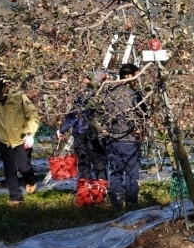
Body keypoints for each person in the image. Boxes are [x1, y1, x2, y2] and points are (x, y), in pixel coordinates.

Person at [0, 74, 40, 206]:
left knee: (24, 167)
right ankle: (15, 197)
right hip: (4, 140)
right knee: (9, 169)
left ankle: (31, 180)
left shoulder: (19, 97)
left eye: (0, 91)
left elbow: (33, 116)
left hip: (22, 138)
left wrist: (30, 134)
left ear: (5, 87)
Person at [100, 63, 147, 211]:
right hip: (129, 140)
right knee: (132, 173)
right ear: (130, 76)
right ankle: (132, 203)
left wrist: (106, 131)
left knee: (116, 172)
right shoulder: (134, 96)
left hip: (112, 140)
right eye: (136, 76)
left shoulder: (109, 94)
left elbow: (100, 115)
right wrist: (141, 131)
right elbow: (144, 115)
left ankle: (117, 203)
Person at [57, 72, 106, 182]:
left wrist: (62, 130)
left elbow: (74, 115)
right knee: (99, 164)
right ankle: (101, 189)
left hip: (82, 134)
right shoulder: (105, 96)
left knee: (84, 164)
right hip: (99, 135)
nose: (84, 80)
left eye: (87, 78)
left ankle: (87, 191)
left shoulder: (84, 97)